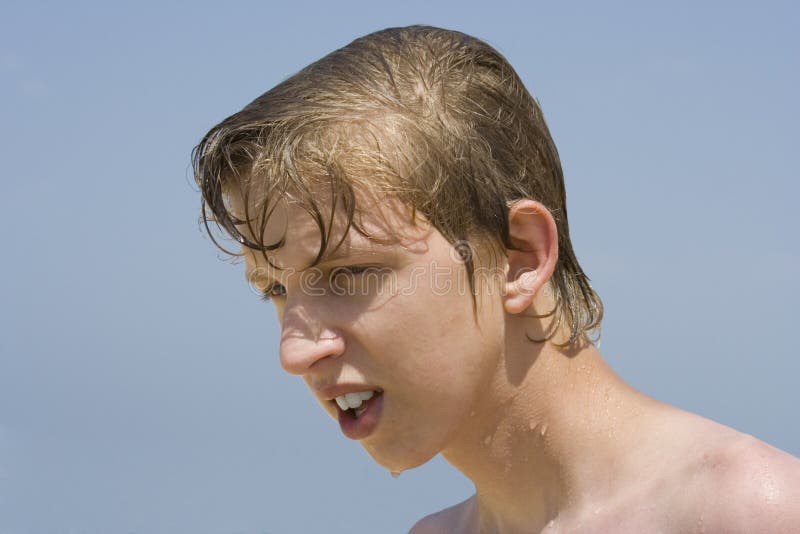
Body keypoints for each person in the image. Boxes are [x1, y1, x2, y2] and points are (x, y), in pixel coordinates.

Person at [192, 25, 800, 533]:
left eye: (347, 273)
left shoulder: (749, 512)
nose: (294, 351)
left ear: (520, 258)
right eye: (274, 288)